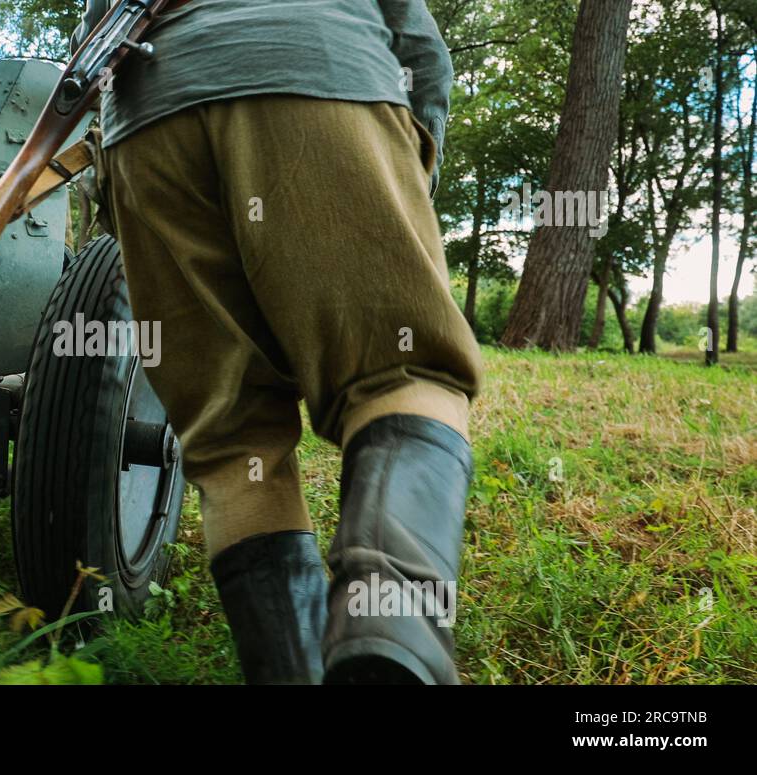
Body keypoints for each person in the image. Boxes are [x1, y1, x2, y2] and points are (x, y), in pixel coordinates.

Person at [71, 0, 484, 684]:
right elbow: (420, 47)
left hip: (146, 128)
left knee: (233, 448)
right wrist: (410, 172)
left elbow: (95, 34)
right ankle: (392, 629)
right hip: (317, 70)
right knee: (404, 371)